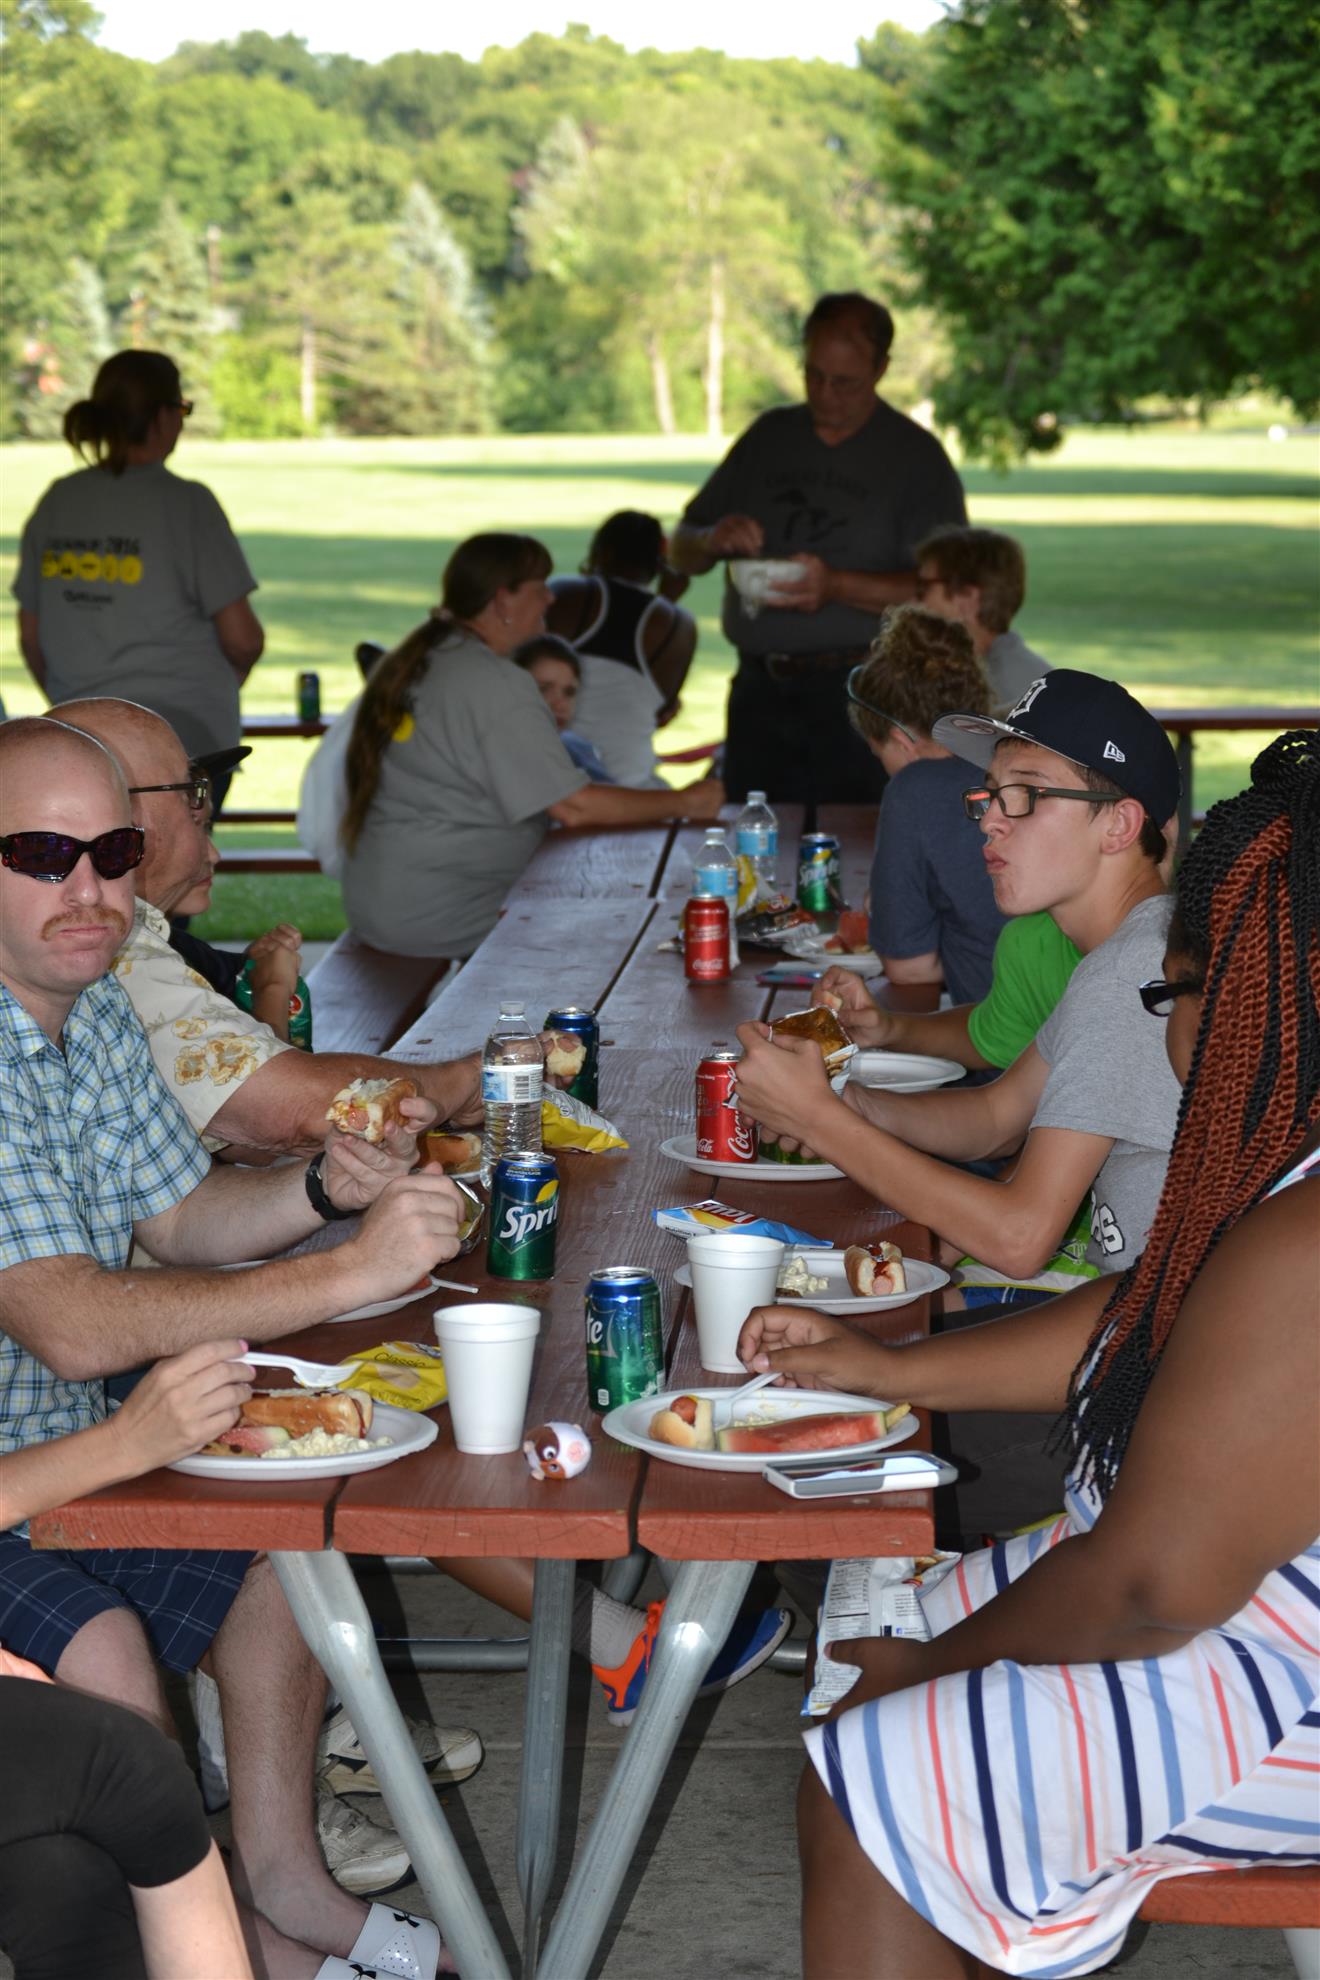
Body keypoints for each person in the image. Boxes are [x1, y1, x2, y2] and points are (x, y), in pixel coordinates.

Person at [47, 698, 792, 1724]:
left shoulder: (104, 981)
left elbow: (187, 1202)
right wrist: (436, 1125)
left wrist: (324, 1189)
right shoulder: (102, 965)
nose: (211, 821)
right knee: (390, 1364)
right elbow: (285, 1111)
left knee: (414, 1336)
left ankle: (595, 1615)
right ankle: (610, 1632)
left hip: (147, 1319)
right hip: (100, 1384)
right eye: (194, 796)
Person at [739, 730, 1320, 1980]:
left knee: (874, 1778)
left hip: (1283, 1675)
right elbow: (1147, 1309)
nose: (1170, 1028)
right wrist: (891, 1372)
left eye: (1177, 995)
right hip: (1242, 1608)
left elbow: (1152, 1587)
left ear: (1259, 1002)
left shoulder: (1309, 1238)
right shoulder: (1284, 1173)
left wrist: (929, 1677)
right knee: (877, 1628)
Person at [0, 717, 467, 1976]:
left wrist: (322, 1191)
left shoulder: (90, 1004)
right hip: (27, 1483)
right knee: (99, 1638)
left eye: (113, 852)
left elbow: (179, 1219)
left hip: (80, 1454)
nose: (89, 889)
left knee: (279, 1522)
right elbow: (69, 1319)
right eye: (41, 855)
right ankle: (211, 1939)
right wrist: (345, 1274)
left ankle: (284, 1880)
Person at [735, 670, 1184, 1297]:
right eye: (991, 795)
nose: (990, 821)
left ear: (1119, 826)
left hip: (1163, 1323)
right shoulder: (1133, 948)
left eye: (1025, 793)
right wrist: (847, 1103)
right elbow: (996, 1117)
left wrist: (818, 1121)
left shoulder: (1130, 973)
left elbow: (1020, 1238)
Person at [49, 697, 486, 1160]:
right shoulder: (109, 947)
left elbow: (232, 1153)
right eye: (190, 793)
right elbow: (292, 1110)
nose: (208, 835)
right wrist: (471, 1079)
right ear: (123, 813)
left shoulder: (130, 936)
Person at [339, 533, 724, 958]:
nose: (550, 598)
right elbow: (573, 807)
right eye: (539, 587)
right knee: (622, 926)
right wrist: (685, 801)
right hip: (437, 909)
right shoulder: (492, 681)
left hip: (387, 899)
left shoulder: (428, 656)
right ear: (503, 600)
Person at [670, 292, 967, 803]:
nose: (826, 394)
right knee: (756, 834)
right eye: (813, 375)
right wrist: (711, 538)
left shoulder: (915, 459)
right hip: (759, 690)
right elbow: (680, 548)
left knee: (856, 837)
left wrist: (835, 586)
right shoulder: (768, 438)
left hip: (866, 698)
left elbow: (949, 593)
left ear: (880, 369)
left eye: (844, 382)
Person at [11, 350, 263, 813]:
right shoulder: (188, 504)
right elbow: (244, 640)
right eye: (183, 408)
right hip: (186, 744)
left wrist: (86, 710)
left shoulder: (58, 501)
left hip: (84, 746)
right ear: (162, 417)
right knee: (178, 861)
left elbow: (31, 637)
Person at [845, 607, 1005, 1007]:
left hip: (999, 1030)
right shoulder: (1021, 761)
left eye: (880, 755)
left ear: (902, 741)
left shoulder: (916, 789)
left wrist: (893, 910)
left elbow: (910, 968)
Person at [545, 509, 697, 785]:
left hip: (550, 776)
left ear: (601, 551)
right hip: (631, 782)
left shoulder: (566, 593)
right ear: (659, 563)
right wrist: (667, 599)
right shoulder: (680, 626)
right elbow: (660, 713)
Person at [914, 523, 1051, 712]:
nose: (914, 600)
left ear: (967, 597)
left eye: (924, 587)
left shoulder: (999, 692)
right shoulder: (999, 668)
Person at [511, 633, 615, 781]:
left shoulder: (578, 751)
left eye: (569, 692)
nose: (560, 704)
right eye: (543, 689)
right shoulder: (489, 754)